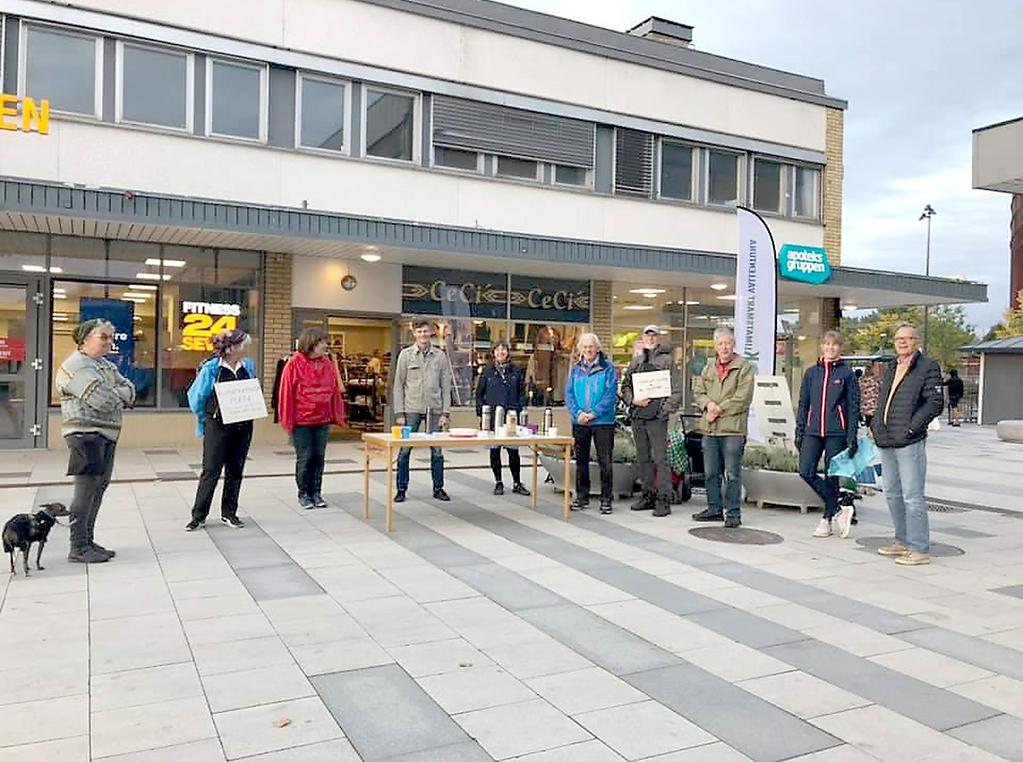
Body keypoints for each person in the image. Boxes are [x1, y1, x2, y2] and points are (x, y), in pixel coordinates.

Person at [55, 319, 135, 563]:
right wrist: (118, 394)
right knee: (86, 490)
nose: (109, 342)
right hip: (85, 435)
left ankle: (88, 540)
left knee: (98, 489)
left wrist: (118, 393)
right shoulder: (76, 366)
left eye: (111, 337)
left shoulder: (102, 365)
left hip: (106, 434)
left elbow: (130, 389)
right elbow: (101, 400)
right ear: (85, 338)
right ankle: (77, 546)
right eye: (104, 337)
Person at [871, 322, 943, 566]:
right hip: (886, 439)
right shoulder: (892, 366)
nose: (902, 342)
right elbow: (883, 400)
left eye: (907, 338)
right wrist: (875, 425)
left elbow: (934, 403)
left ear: (916, 341)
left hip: (909, 440)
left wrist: (912, 427)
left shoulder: (927, 366)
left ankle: (919, 548)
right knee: (891, 492)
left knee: (912, 496)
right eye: (898, 338)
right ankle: (901, 541)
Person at [186, 330, 256, 531]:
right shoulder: (211, 368)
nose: (245, 349)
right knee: (211, 470)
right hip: (218, 425)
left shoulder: (247, 366)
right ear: (231, 347)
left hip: (242, 425)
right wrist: (206, 417)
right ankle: (198, 515)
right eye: (242, 345)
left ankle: (229, 512)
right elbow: (197, 397)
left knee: (235, 470)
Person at [795, 331, 860, 539]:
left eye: (834, 345)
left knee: (832, 476)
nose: (830, 348)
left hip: (836, 432)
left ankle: (826, 520)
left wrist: (851, 436)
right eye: (826, 344)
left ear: (840, 348)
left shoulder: (847, 375)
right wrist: (800, 430)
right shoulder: (811, 373)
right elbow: (804, 403)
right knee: (806, 471)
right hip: (812, 431)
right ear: (821, 347)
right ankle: (840, 506)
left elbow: (853, 407)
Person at [691, 327, 754, 528]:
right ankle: (714, 509)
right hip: (710, 429)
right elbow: (698, 391)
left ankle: (733, 512)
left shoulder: (744, 367)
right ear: (715, 347)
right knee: (710, 472)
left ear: (733, 344)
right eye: (720, 344)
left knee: (732, 473)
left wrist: (718, 409)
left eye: (727, 343)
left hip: (732, 430)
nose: (724, 347)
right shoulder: (708, 367)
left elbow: (742, 398)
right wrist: (707, 405)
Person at [278, 327, 347, 509]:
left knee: (319, 457)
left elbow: (334, 390)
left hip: (322, 419)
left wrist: (336, 414)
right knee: (305, 457)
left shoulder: (327, 363)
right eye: (323, 342)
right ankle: (304, 493)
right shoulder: (293, 364)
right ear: (313, 343)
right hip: (302, 422)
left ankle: (316, 492)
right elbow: (286, 394)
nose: (326, 345)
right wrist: (288, 420)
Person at [621, 325, 682, 517]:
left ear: (658, 338)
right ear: (643, 339)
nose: (651, 339)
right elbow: (625, 387)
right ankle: (647, 495)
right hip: (639, 417)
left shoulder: (667, 361)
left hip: (657, 418)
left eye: (654, 336)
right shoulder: (636, 362)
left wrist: (663, 411)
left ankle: (664, 499)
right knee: (643, 458)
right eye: (648, 336)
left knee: (660, 459)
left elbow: (676, 390)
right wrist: (633, 400)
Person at [393, 319, 451, 502]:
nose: (423, 335)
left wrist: (445, 412)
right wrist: (399, 413)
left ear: (431, 333)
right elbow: (398, 385)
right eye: (419, 332)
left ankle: (438, 488)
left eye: (425, 331)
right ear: (414, 333)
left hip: (434, 409)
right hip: (411, 410)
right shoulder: (406, 355)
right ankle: (401, 489)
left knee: (437, 452)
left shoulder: (440, 356)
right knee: (404, 451)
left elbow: (445, 385)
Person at [565, 333, 618, 514]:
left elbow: (610, 396)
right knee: (581, 462)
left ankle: (606, 500)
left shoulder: (608, 368)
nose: (588, 350)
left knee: (605, 462)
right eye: (585, 347)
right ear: (581, 349)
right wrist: (578, 413)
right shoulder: (575, 369)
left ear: (598, 348)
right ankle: (582, 497)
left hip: (603, 422)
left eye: (591, 347)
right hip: (580, 422)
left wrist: (593, 414)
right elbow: (569, 395)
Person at [476, 340, 530, 496]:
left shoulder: (516, 371)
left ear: (508, 352)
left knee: (514, 451)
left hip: (511, 417)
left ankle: (517, 482)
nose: (501, 353)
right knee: (495, 451)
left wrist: (519, 408)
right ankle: (498, 482)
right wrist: (482, 413)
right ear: (493, 353)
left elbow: (522, 392)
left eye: (503, 350)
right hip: (493, 417)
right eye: (497, 350)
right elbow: (479, 394)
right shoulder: (487, 371)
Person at [858, 361, 882, 428]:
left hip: (865, 407)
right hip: (875, 407)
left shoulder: (861, 380)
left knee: (868, 425)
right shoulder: (876, 380)